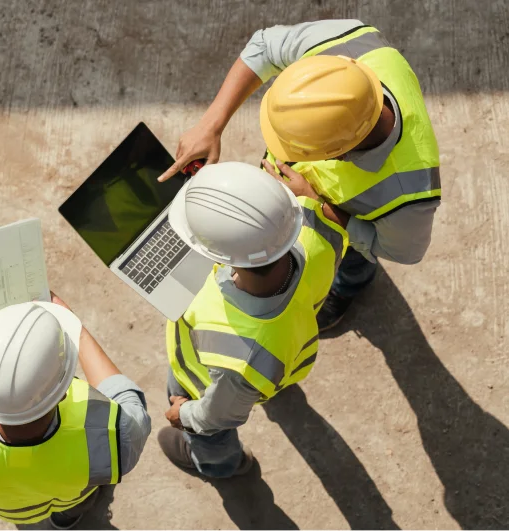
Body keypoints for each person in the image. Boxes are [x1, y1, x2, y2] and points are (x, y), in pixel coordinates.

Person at [158, 20, 440, 331]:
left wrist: (317, 204)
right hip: (313, 189)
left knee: (353, 261)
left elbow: (400, 251)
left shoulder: (411, 196)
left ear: (338, 155)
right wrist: (211, 125)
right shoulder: (350, 42)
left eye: (297, 148)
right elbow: (264, 46)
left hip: (346, 217)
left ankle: (348, 288)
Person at [0, 228, 151, 529]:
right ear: (63, 393)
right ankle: (67, 521)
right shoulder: (114, 436)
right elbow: (127, 399)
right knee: (74, 507)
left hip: (15, 511)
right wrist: (69, 318)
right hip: (71, 496)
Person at [158, 162, 349, 478]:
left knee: (212, 436)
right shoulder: (319, 237)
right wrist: (309, 202)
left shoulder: (240, 358)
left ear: (219, 260)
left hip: (202, 383)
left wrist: (187, 415)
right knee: (260, 379)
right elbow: (330, 226)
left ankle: (220, 464)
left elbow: (220, 414)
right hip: (285, 354)